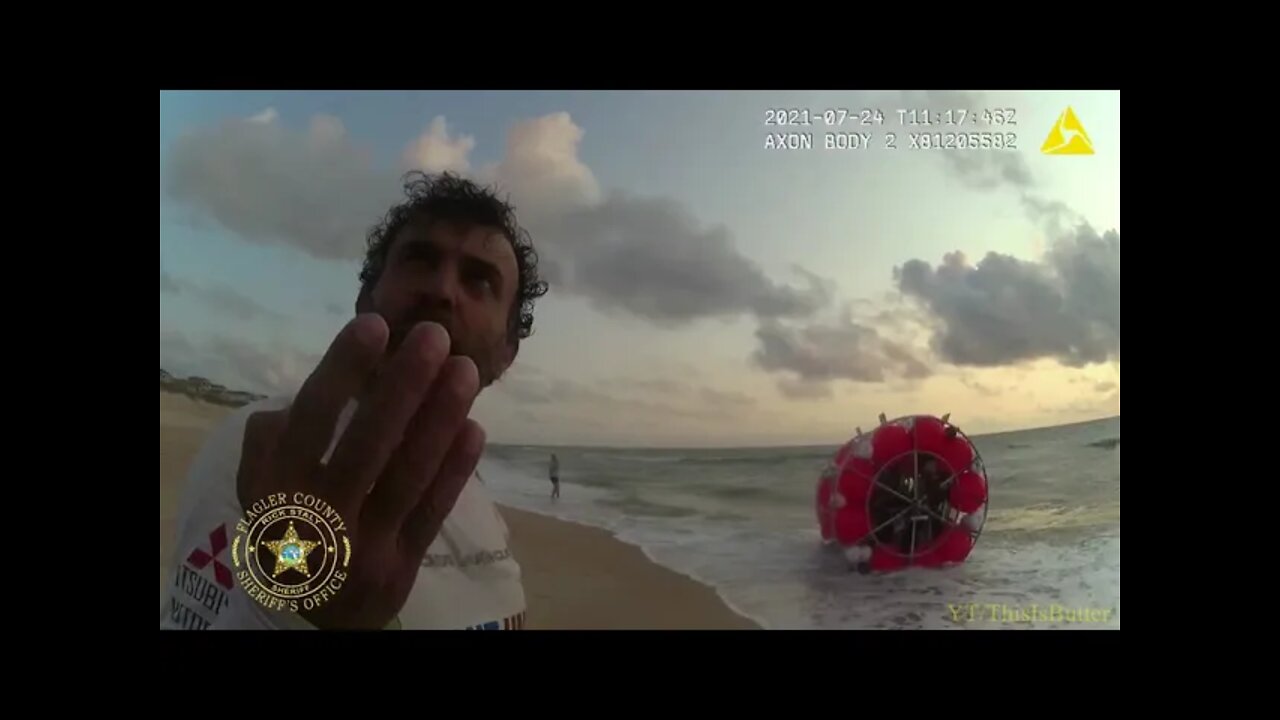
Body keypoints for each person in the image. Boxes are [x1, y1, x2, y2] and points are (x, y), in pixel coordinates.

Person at [160, 172, 548, 630]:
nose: (442, 291)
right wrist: (304, 604)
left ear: (508, 351)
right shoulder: (266, 452)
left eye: (479, 281)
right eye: (419, 260)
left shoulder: (472, 489)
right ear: (367, 299)